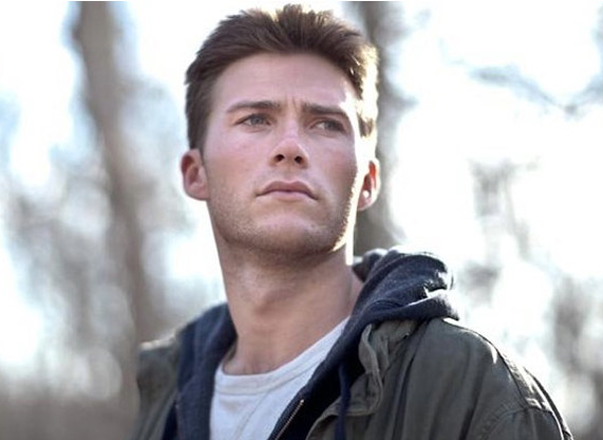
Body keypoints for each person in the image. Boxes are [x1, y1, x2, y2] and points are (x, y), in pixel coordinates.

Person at [129, 4, 573, 440]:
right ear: (196, 173)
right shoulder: (159, 403)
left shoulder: (474, 394)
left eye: (325, 124)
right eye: (256, 119)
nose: (290, 147)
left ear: (368, 181)